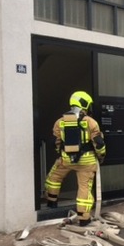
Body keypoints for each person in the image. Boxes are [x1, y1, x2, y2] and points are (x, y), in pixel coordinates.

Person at [45, 91, 106, 227]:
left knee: (54, 178)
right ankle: (84, 218)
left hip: (66, 160)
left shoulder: (60, 122)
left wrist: (61, 155)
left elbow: (56, 142)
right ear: (84, 104)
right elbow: (99, 143)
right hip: (87, 161)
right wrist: (101, 156)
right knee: (84, 188)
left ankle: (51, 202)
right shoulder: (91, 122)